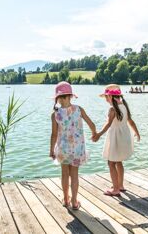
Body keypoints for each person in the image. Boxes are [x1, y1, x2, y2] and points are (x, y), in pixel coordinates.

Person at [50, 81, 96, 210]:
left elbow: (53, 135)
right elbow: (91, 124)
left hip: (63, 149)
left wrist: (51, 150)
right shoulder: (79, 110)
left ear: (58, 98)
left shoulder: (55, 115)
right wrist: (94, 134)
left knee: (64, 174)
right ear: (70, 96)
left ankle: (65, 200)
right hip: (77, 149)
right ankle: (75, 202)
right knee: (74, 175)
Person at [93, 84, 140, 196]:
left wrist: (99, 134)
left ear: (110, 97)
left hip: (115, 138)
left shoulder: (112, 109)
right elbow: (131, 122)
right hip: (124, 136)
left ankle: (115, 189)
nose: (105, 100)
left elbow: (108, 124)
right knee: (119, 161)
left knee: (111, 163)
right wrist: (137, 133)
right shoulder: (124, 106)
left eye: (106, 97)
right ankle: (120, 185)